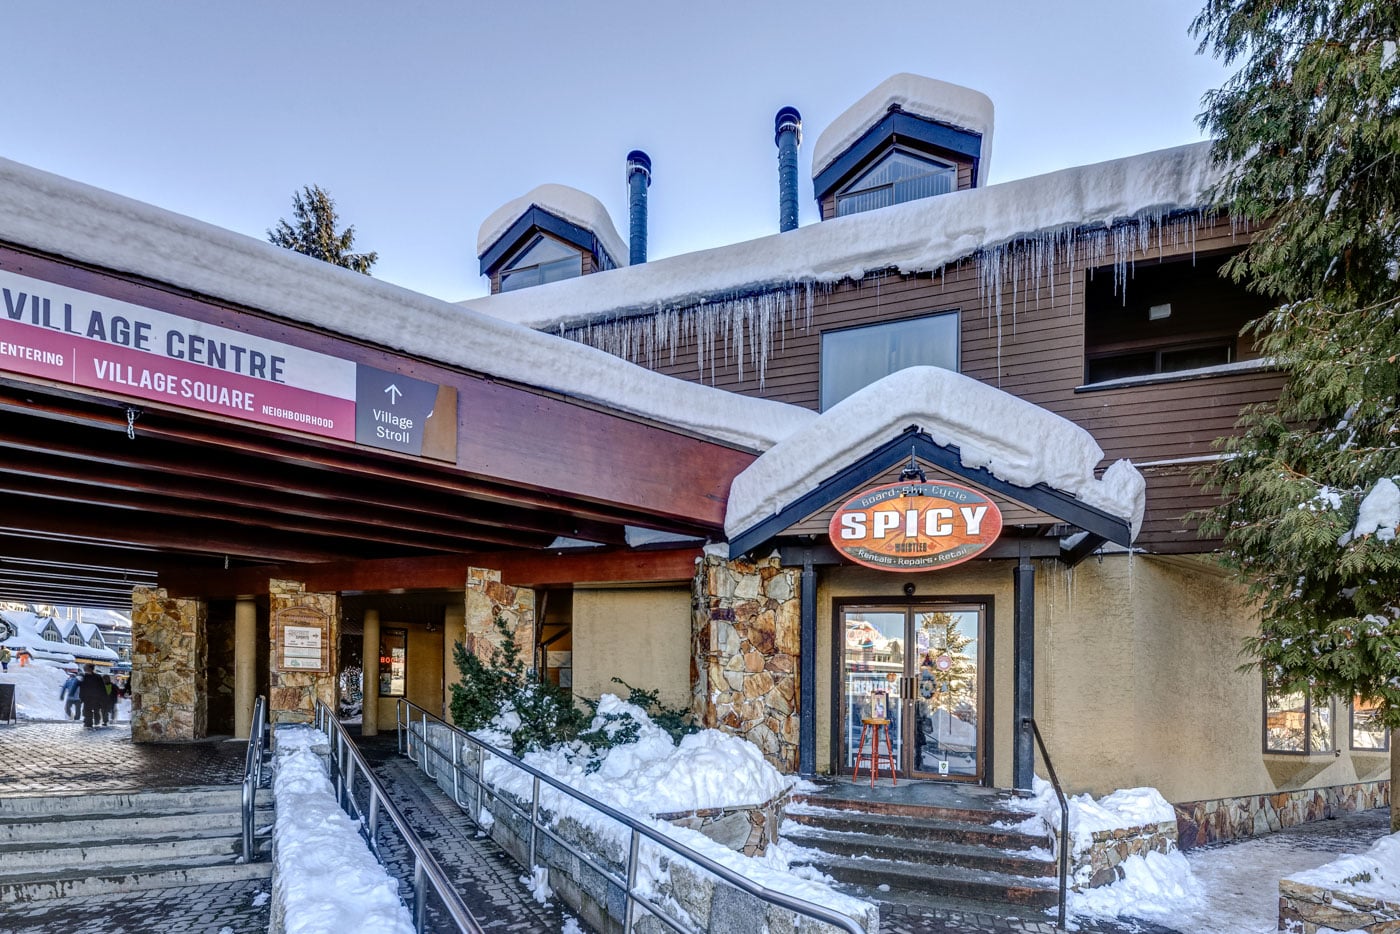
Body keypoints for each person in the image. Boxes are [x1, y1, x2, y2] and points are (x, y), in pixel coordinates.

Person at [78, 663, 107, 728]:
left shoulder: (98, 677)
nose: (84, 668)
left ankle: (97, 720)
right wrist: (81, 697)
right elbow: (82, 688)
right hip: (87, 698)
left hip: (96, 698)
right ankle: (88, 723)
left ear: (90, 669)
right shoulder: (84, 677)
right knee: (87, 710)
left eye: (86, 667)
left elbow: (102, 687)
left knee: (96, 710)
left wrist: (103, 697)